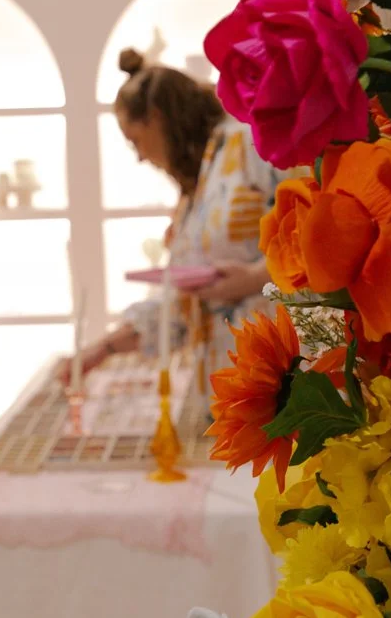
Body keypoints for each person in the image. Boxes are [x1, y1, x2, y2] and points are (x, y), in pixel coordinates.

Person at [64, 47, 284, 385]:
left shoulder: (251, 146)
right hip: (232, 385)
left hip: (279, 373)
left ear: (157, 117)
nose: (139, 156)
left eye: (135, 140)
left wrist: (255, 277)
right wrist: (103, 349)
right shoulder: (199, 185)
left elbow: (318, 242)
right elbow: (178, 302)